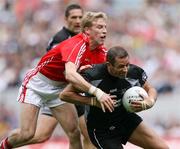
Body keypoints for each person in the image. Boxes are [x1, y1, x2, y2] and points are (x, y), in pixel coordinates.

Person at [0, 11, 115, 149]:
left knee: (74, 132)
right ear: (87, 30)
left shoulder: (101, 52)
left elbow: (111, 73)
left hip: (59, 89)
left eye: (105, 27)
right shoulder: (76, 44)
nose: (104, 31)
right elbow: (70, 75)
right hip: (37, 84)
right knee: (28, 134)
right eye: (99, 27)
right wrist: (97, 93)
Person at [13, 4, 95, 149]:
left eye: (80, 17)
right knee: (37, 135)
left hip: (66, 89)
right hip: (54, 88)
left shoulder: (83, 39)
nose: (77, 21)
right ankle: (7, 142)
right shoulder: (61, 39)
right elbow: (65, 72)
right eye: (73, 17)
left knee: (80, 133)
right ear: (66, 19)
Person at [60, 46, 169, 149]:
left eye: (127, 65)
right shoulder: (93, 75)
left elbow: (150, 89)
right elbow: (65, 94)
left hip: (126, 120)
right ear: (109, 65)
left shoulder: (134, 72)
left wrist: (150, 101)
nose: (125, 69)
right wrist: (93, 101)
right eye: (121, 66)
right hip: (101, 129)